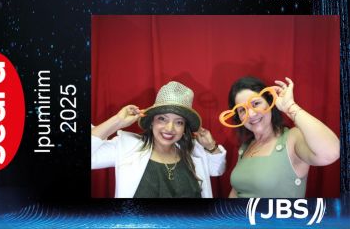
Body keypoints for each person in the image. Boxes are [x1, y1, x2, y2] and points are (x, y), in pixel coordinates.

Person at [91, 80, 226, 198]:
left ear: (184, 128)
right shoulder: (127, 147)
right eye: (162, 119)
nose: (170, 128)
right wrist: (117, 121)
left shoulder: (192, 150)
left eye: (179, 122)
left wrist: (211, 146)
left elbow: (217, 170)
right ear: (152, 122)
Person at [219, 76, 340, 198]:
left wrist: (290, 107)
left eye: (256, 103)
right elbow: (236, 192)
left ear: (270, 102)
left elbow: (331, 153)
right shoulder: (245, 147)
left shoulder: (292, 138)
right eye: (242, 110)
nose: (251, 114)